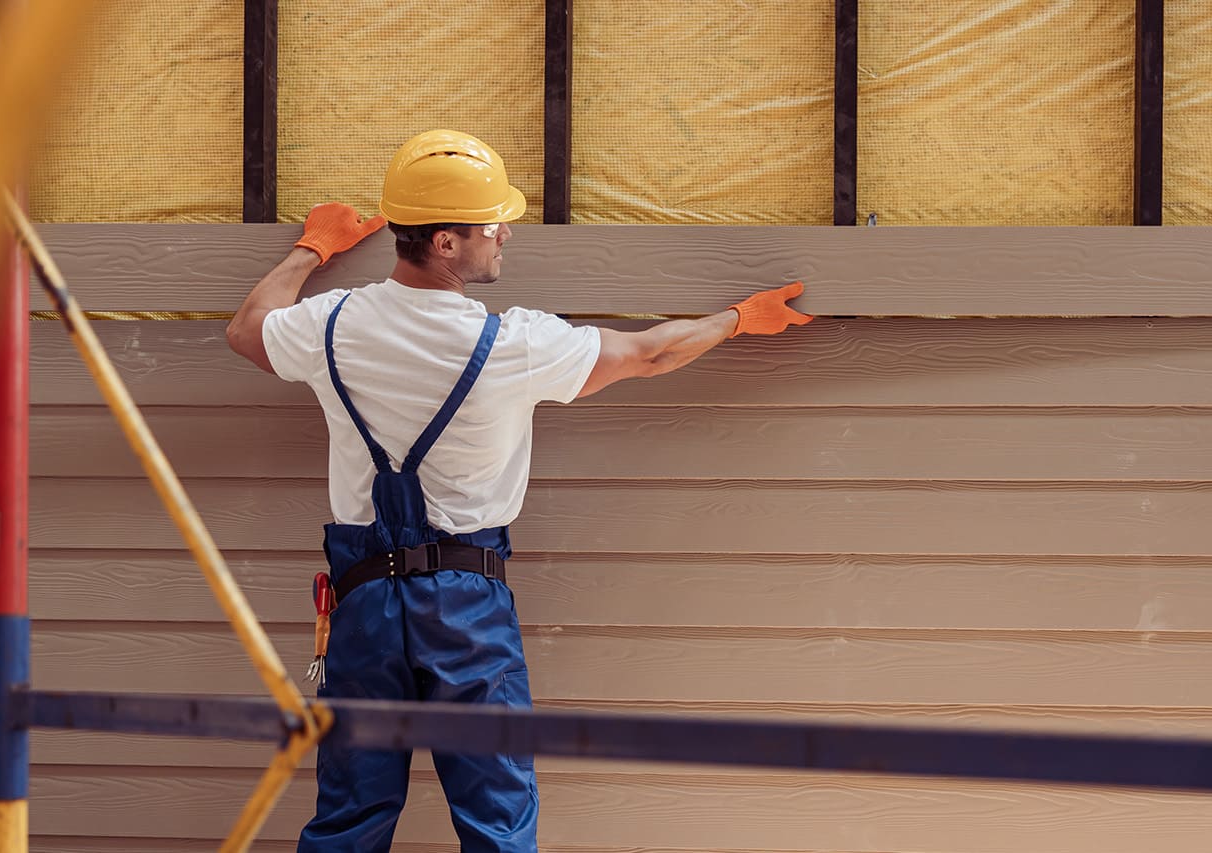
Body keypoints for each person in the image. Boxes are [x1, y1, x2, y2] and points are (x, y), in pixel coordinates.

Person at [224, 129, 812, 853]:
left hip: (363, 602)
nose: (506, 232)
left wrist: (313, 249)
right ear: (443, 241)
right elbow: (651, 352)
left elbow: (248, 330)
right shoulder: (517, 345)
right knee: (498, 817)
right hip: (467, 607)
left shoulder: (332, 323)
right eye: (490, 223)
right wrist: (738, 320)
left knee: (349, 816)